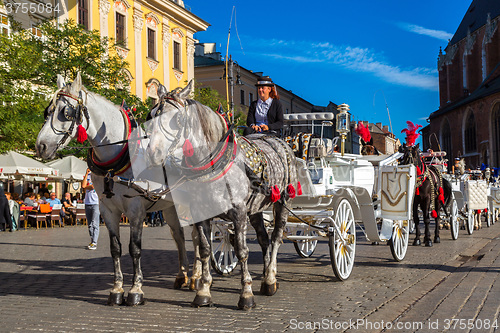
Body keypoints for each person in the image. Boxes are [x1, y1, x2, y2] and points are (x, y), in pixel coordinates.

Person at [82, 169, 100, 250]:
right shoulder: (88, 176)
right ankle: (92, 241)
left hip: (96, 203)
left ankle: (95, 243)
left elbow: (93, 186)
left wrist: (86, 187)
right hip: (87, 203)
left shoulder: (98, 176)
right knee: (89, 224)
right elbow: (83, 186)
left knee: (95, 223)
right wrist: (86, 174)